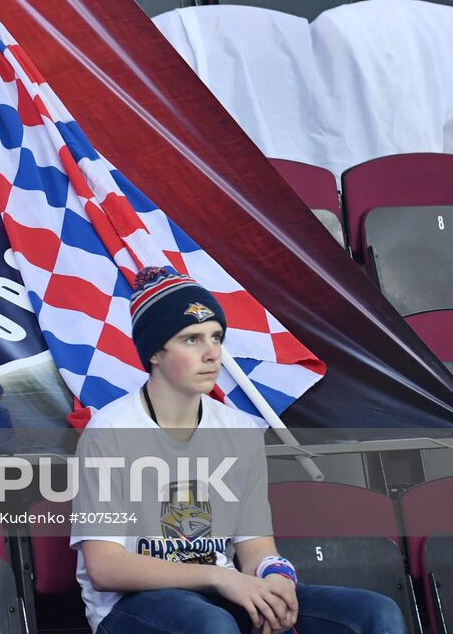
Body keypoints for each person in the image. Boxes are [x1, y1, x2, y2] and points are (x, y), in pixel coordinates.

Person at [69, 266, 405, 634]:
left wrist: (277, 579)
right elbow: (105, 568)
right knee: (213, 624)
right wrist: (218, 577)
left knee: (375, 613)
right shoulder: (111, 432)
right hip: (129, 607)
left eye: (216, 337)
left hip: (220, 593)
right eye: (192, 339)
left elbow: (256, 549)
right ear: (155, 353)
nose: (212, 353)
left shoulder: (239, 430)